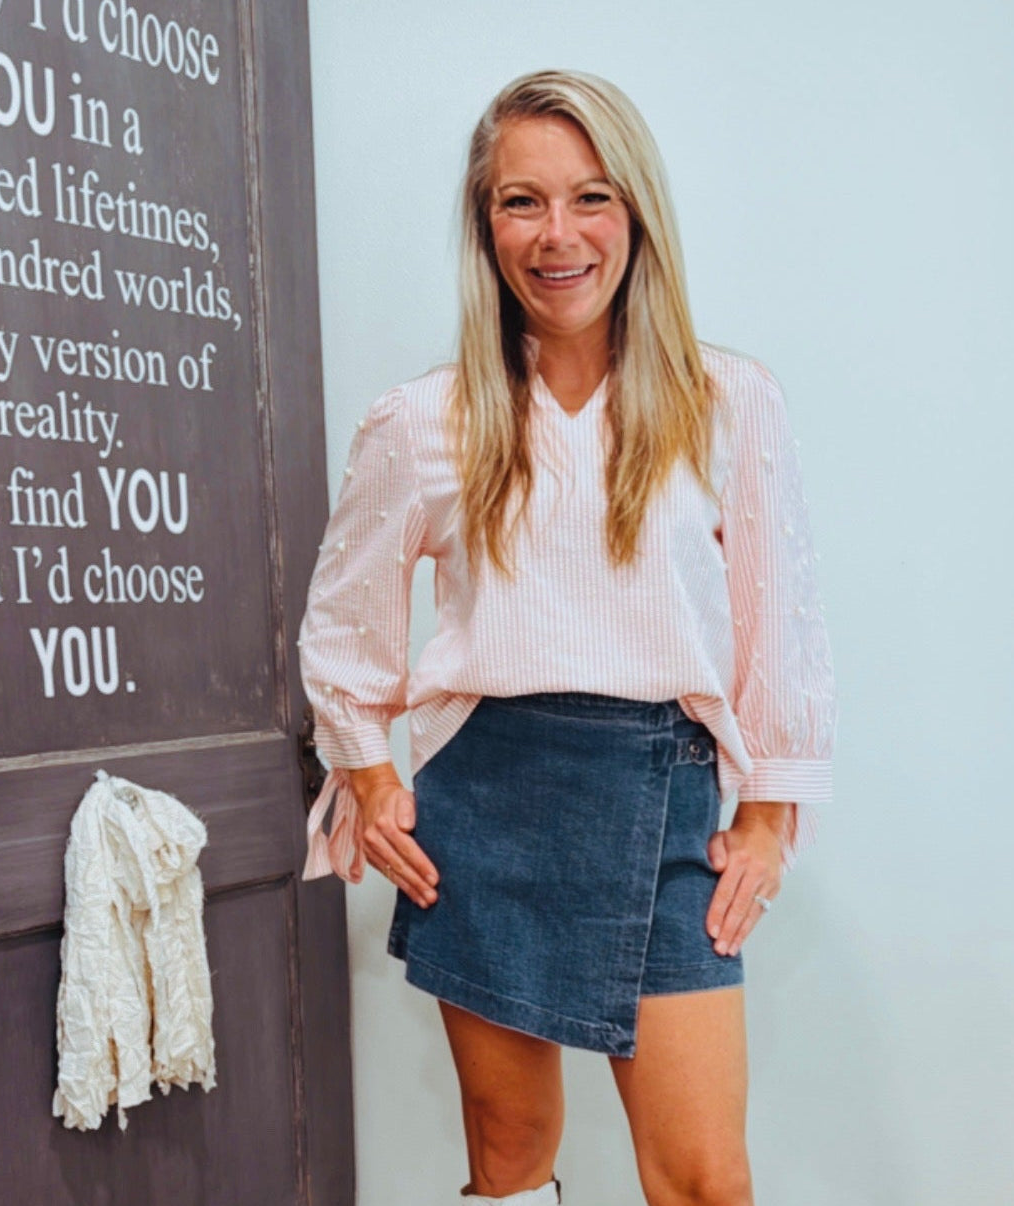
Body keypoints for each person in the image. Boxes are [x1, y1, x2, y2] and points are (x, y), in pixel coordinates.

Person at [299, 69, 835, 1206]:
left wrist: (768, 816)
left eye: (591, 197)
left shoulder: (729, 402)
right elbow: (344, 621)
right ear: (484, 224)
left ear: (636, 213)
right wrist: (369, 776)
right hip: (485, 809)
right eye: (521, 201)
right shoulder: (422, 421)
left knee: (704, 1180)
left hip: (667, 808)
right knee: (509, 1162)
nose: (558, 235)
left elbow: (778, 622)